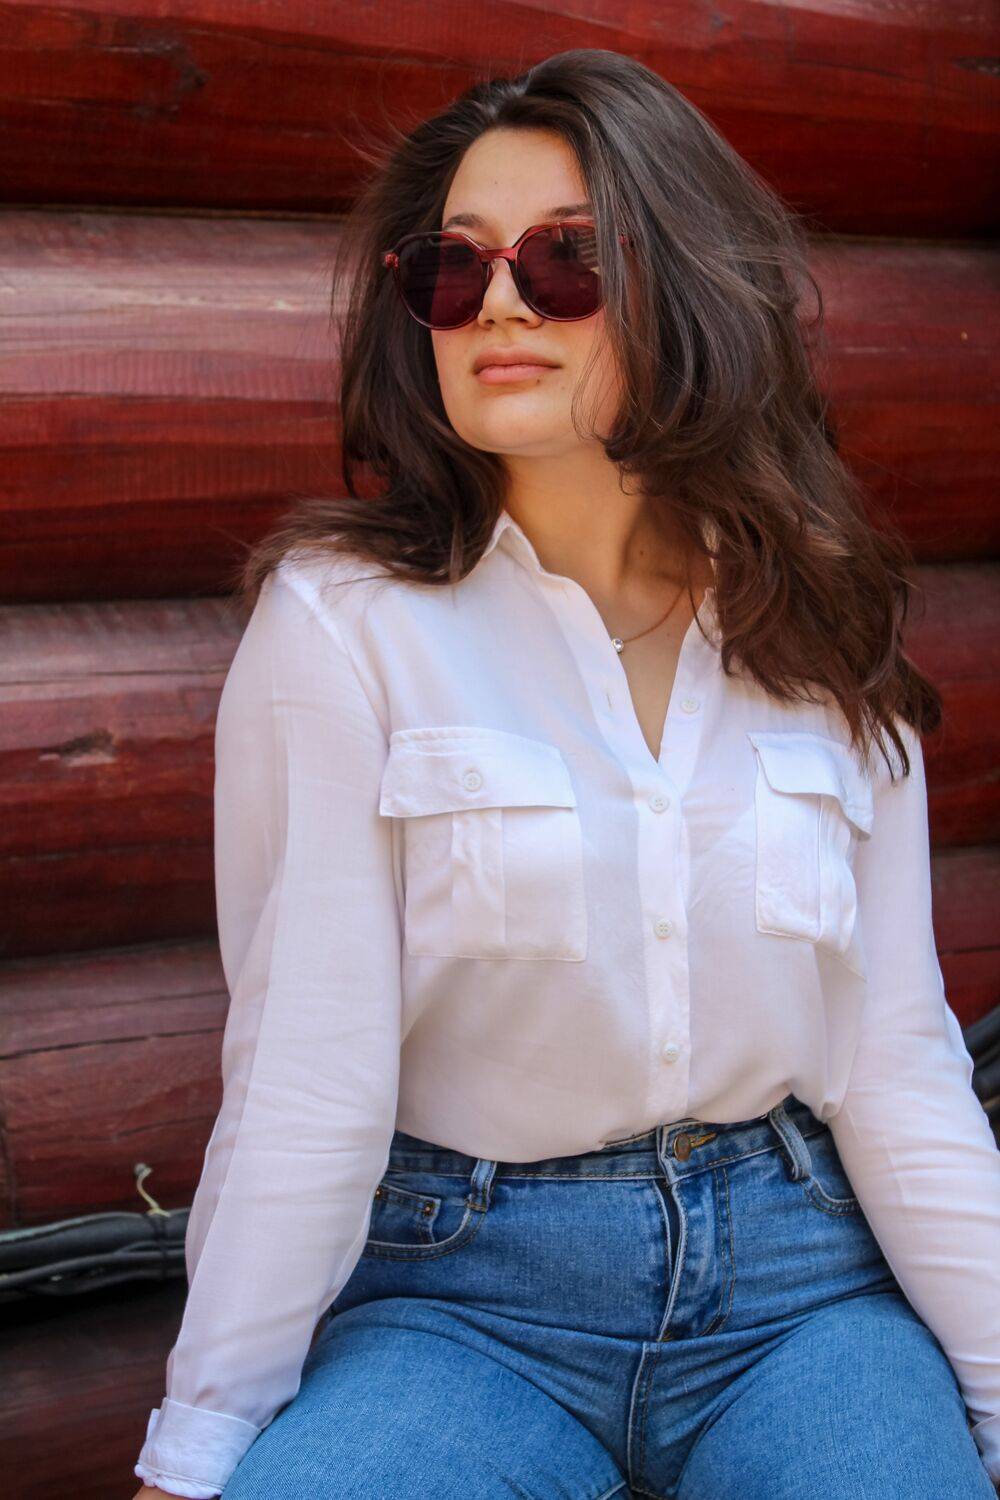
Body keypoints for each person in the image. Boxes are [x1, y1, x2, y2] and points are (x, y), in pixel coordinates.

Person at [132, 48, 1000, 1499]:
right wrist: (201, 1441)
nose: (501, 304)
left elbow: (900, 1068)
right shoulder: (345, 626)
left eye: (564, 260)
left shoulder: (820, 627)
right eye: (453, 268)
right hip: (462, 1304)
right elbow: (307, 1077)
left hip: (802, 1296)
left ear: (686, 282)